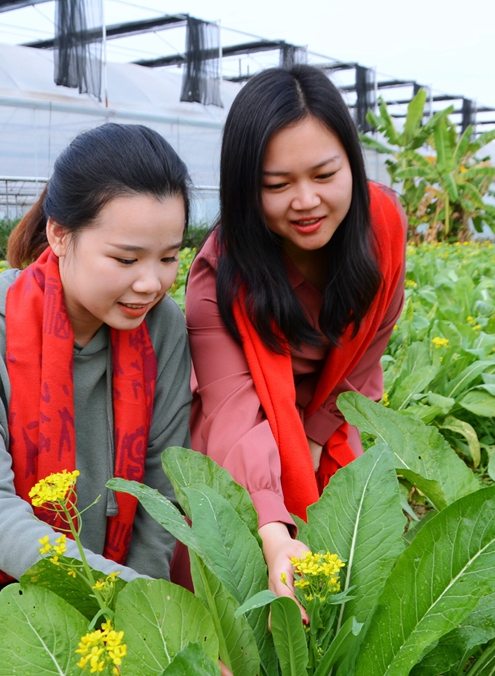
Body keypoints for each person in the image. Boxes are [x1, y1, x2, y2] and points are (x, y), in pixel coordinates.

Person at [0, 124, 193, 659]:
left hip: (126, 572)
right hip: (5, 582)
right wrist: (126, 599)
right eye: (125, 259)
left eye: (168, 257)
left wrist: (143, 618)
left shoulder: (163, 328)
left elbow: (161, 486)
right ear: (60, 236)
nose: (151, 283)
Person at [186, 65, 407, 614]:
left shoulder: (382, 228)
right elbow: (230, 409)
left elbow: (370, 344)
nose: (306, 200)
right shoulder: (219, 280)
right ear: (244, 190)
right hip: (248, 437)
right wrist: (272, 528)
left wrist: (312, 436)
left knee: (358, 559)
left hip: (331, 414)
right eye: (277, 185)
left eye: (325, 174)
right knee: (240, 575)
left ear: (352, 166)